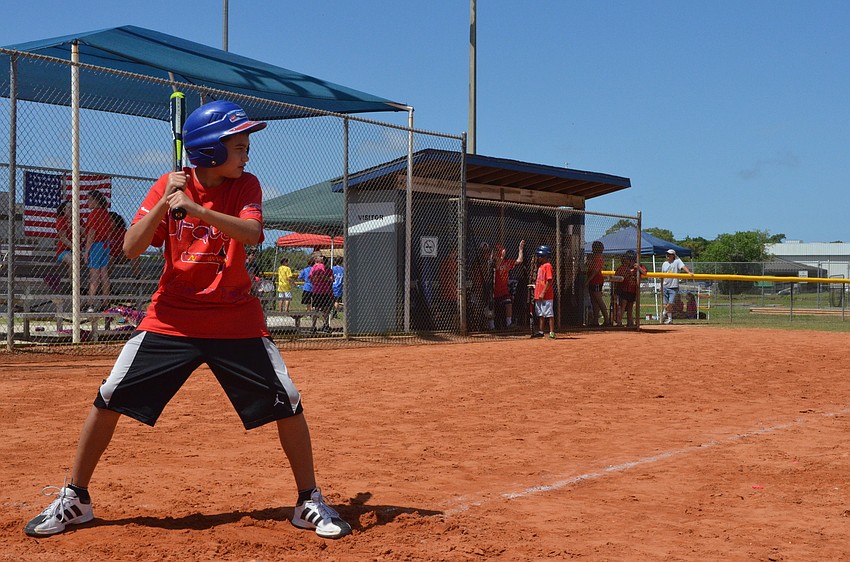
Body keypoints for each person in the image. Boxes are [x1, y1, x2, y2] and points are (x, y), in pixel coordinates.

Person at [24, 100, 351, 540]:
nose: (247, 154)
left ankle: (307, 499)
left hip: (235, 316)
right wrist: (165, 203)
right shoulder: (167, 186)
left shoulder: (245, 185)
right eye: (238, 146)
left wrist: (196, 211)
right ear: (211, 151)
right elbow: (131, 248)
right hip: (172, 318)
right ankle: (76, 498)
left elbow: (252, 234)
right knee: (109, 395)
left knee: (286, 399)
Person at [83, 190, 112, 312]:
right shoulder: (106, 214)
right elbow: (110, 231)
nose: (87, 202)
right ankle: (106, 302)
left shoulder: (94, 214)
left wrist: (86, 251)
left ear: (96, 201)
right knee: (104, 274)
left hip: (96, 245)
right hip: (105, 244)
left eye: (90, 200)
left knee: (94, 275)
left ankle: (90, 303)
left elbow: (91, 233)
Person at [493, 240, 524, 329]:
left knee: (508, 303)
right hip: (494, 291)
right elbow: (497, 266)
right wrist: (501, 256)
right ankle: (491, 326)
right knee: (492, 307)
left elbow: (519, 260)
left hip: (504, 291)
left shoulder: (507, 262)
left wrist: (520, 249)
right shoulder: (493, 263)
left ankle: (509, 323)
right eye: (498, 252)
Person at [614, 250, 647, 327]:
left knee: (630, 307)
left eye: (631, 260)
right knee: (623, 305)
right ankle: (619, 322)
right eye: (628, 260)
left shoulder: (638, 266)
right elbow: (617, 278)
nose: (630, 262)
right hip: (624, 289)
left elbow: (645, 273)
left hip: (633, 289)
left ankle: (630, 323)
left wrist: (638, 267)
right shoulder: (622, 268)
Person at [661, 248, 692, 324]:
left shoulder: (677, 261)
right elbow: (661, 275)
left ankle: (664, 312)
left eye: (669, 254)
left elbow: (683, 266)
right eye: (667, 254)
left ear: (673, 256)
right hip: (665, 286)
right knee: (667, 303)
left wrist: (689, 272)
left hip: (673, 287)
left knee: (670, 303)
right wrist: (661, 286)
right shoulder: (664, 264)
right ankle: (669, 319)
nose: (667, 255)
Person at [531, 244, 555, 339]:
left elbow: (549, 280)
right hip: (539, 295)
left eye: (540, 256)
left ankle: (552, 332)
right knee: (540, 314)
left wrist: (543, 292)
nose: (538, 257)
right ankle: (541, 331)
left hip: (546, 295)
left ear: (546, 256)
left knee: (549, 314)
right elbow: (541, 281)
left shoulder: (547, 266)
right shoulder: (541, 266)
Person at [585, 240, 610, 326]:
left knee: (598, 299)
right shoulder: (593, 257)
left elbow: (595, 271)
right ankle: (595, 321)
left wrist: (587, 281)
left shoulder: (598, 257)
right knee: (593, 301)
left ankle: (607, 320)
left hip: (596, 280)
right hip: (592, 280)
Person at [309, 254, 334, 333]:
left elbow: (332, 279)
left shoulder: (327, 269)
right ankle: (316, 326)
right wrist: (318, 280)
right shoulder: (318, 267)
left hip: (321, 291)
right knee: (319, 309)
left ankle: (322, 325)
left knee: (323, 310)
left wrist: (321, 279)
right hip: (320, 291)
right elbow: (313, 277)